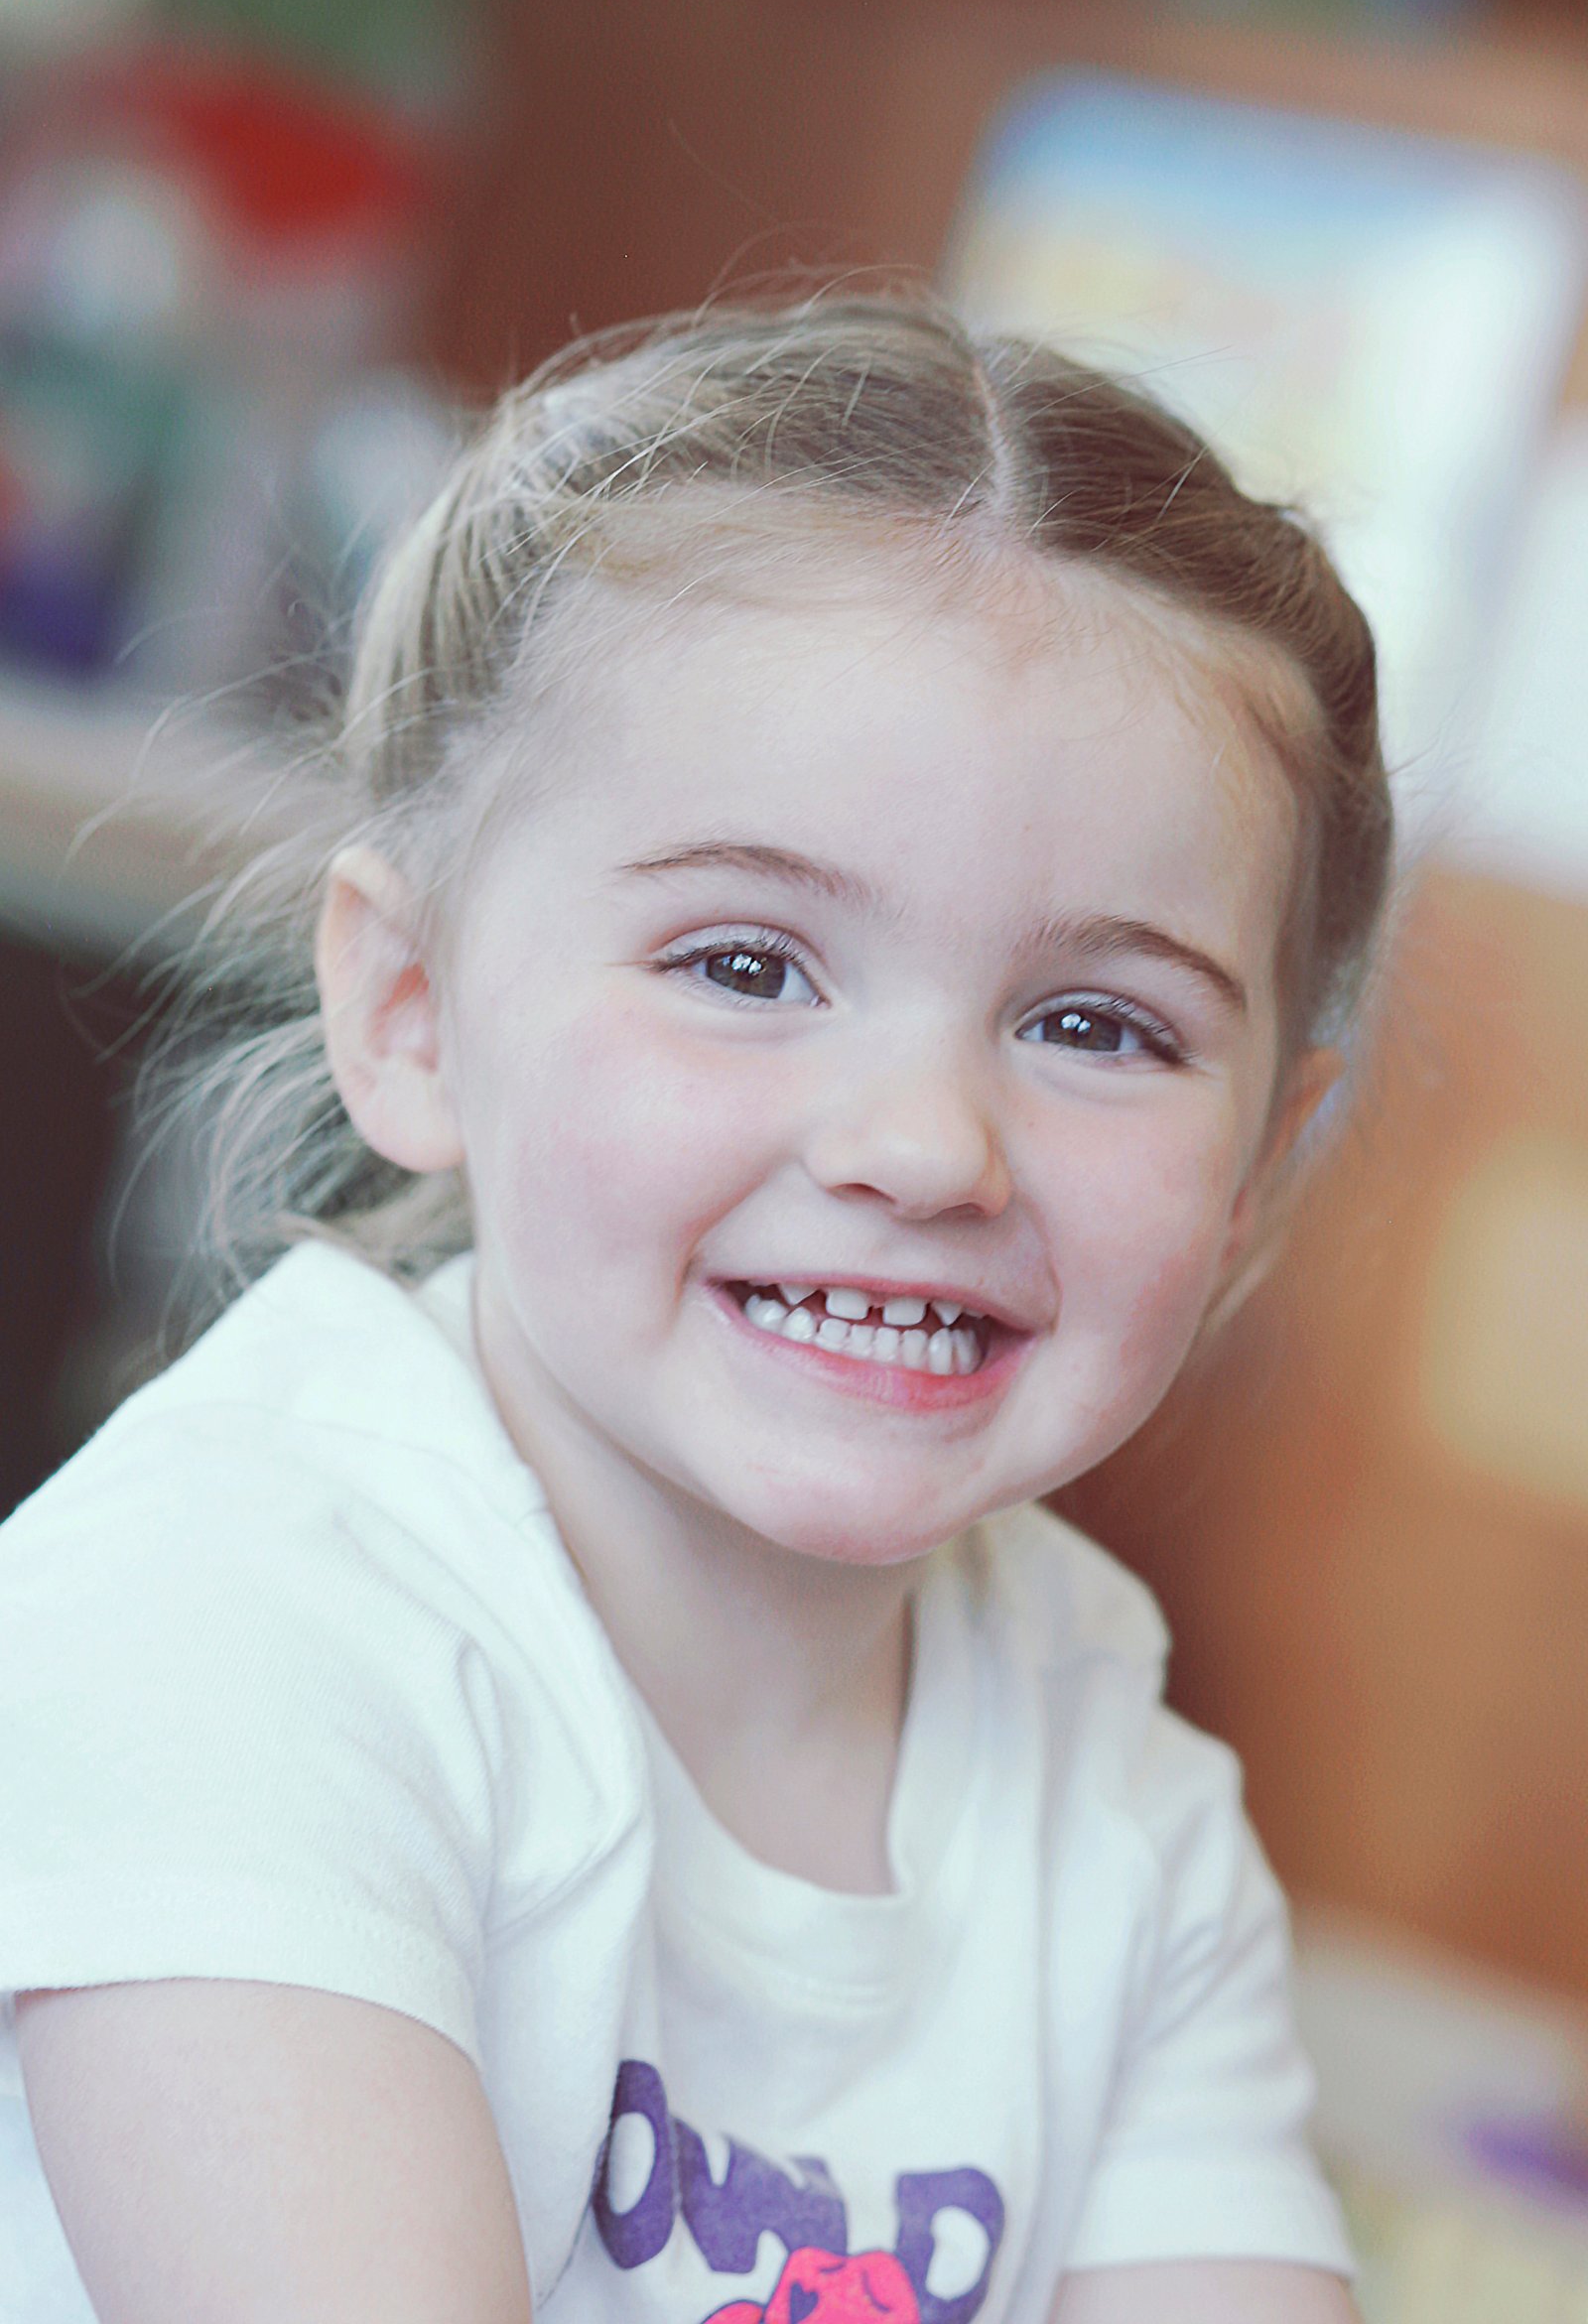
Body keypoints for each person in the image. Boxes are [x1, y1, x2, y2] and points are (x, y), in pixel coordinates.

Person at [0, 291, 1390, 2324]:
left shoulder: (1107, 1765)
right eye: (744, 965)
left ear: (1261, 1168)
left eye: (1096, 1023)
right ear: (409, 1012)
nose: (923, 1146)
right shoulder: (219, 1610)